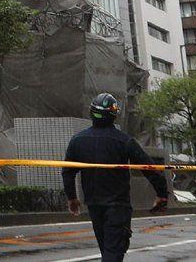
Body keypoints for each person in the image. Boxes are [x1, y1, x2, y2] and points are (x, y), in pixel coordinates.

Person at [63, 93, 169, 262]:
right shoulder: (124, 141)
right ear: (114, 114)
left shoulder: (78, 141)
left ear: (92, 112)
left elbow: (68, 171)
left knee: (107, 250)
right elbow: (149, 168)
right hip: (118, 206)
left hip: (94, 204)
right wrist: (162, 193)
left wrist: (72, 198)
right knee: (113, 252)